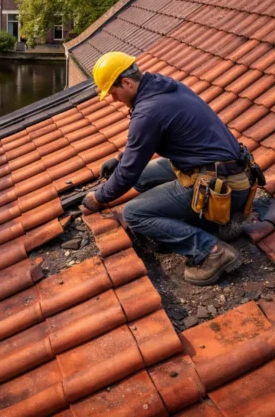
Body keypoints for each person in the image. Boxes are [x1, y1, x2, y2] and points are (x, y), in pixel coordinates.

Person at [81, 52, 257, 286]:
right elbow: (142, 145)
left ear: (126, 82)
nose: (114, 99)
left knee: (135, 213)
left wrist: (99, 196)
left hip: (222, 186)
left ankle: (212, 252)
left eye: (114, 93)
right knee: (142, 180)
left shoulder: (148, 111)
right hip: (226, 171)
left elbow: (127, 174)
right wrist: (120, 158)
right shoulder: (162, 86)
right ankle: (217, 221)